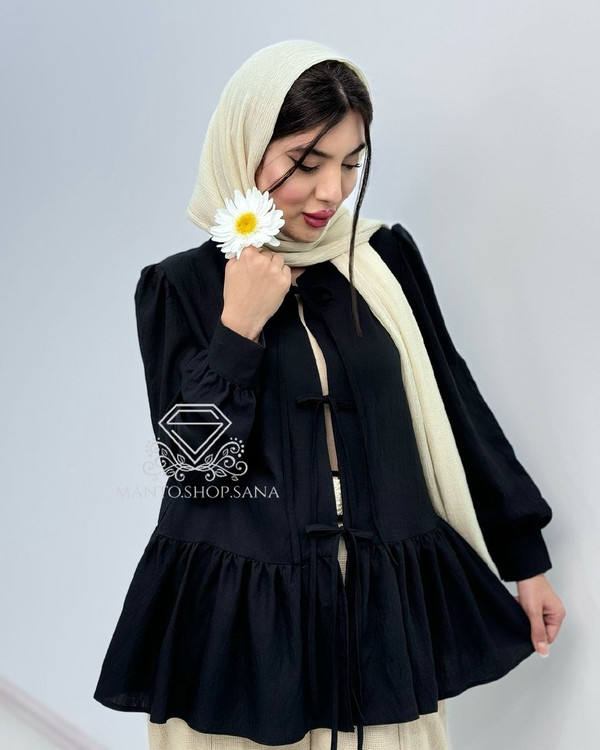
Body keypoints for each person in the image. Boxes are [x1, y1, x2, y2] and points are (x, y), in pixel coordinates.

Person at [93, 40, 566, 750]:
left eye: (350, 164)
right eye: (306, 163)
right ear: (243, 148)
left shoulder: (382, 259)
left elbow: (454, 400)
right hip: (245, 628)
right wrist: (238, 327)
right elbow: (196, 469)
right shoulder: (180, 287)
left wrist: (524, 557)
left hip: (385, 613)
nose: (331, 191)